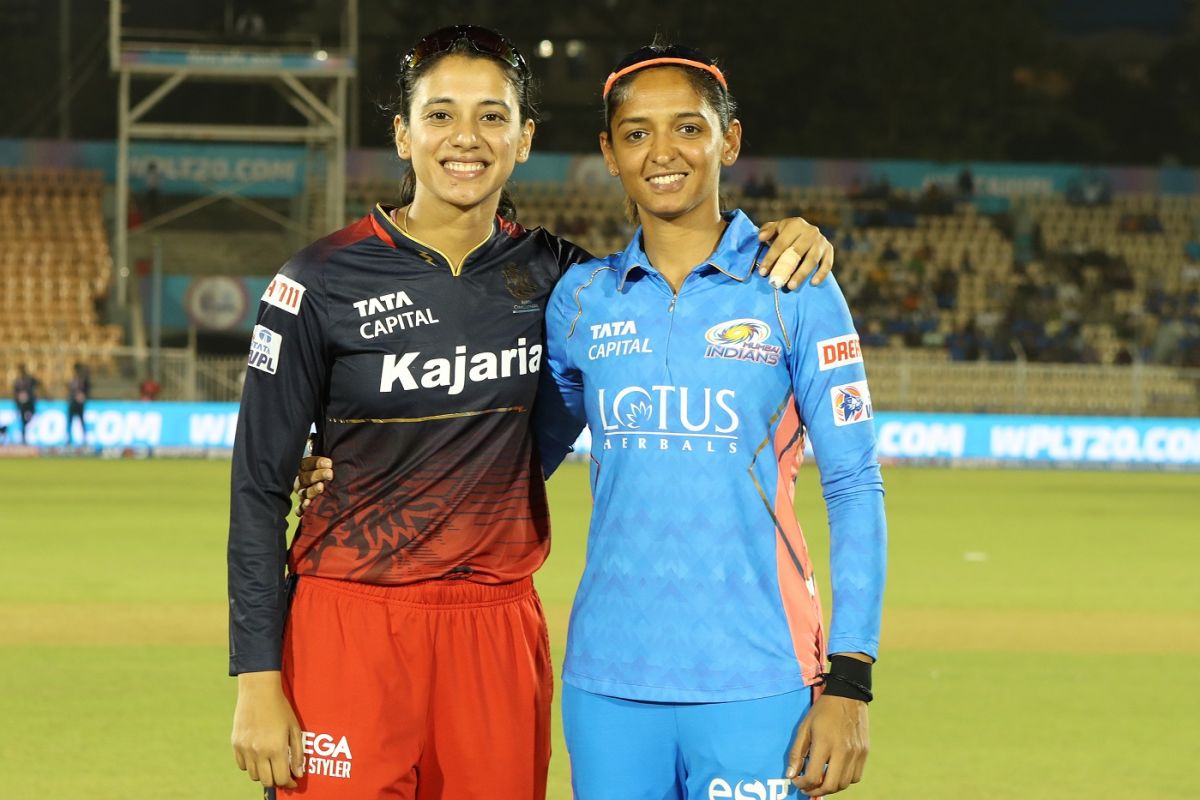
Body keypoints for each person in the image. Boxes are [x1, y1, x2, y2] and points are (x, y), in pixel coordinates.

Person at [229, 25, 835, 800]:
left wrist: (787, 237)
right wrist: (256, 678)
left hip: (495, 625)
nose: (466, 138)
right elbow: (256, 490)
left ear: (524, 139)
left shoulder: (568, 284)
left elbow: (659, 288)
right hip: (348, 619)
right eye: (441, 114)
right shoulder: (318, 279)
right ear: (402, 133)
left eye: (492, 116)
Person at [536, 42, 886, 799]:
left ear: (729, 139)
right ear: (608, 153)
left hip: (759, 678)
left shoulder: (796, 284)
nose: (663, 153)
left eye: (688, 128)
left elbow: (856, 484)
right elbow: (510, 465)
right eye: (636, 134)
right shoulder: (581, 301)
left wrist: (851, 680)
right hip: (608, 680)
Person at [12, 364, 38, 444]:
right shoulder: (17, 381)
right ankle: (23, 438)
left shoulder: (29, 379)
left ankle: (27, 423)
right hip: (22, 404)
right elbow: (15, 391)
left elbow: (37, 384)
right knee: (23, 421)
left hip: (30, 402)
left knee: (31, 415)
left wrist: (30, 395)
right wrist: (19, 397)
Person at [66, 363, 90, 446]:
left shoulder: (83, 380)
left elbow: (87, 391)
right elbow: (70, 390)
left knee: (81, 421)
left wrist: (83, 396)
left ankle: (84, 439)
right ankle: (69, 440)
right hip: (72, 403)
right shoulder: (73, 380)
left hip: (79, 404)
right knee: (70, 421)